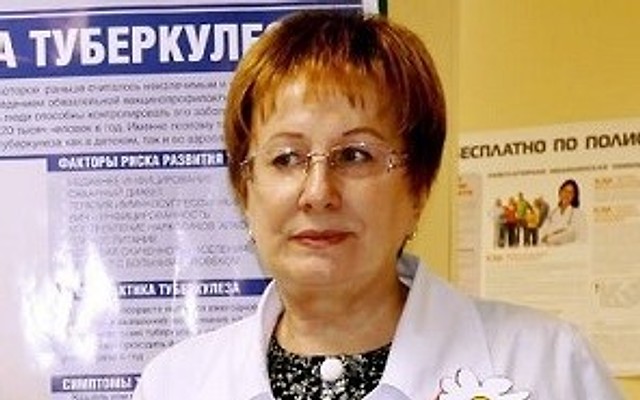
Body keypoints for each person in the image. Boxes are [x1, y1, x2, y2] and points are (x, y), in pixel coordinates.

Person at [132, 11, 622, 400]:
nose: (318, 192)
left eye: (355, 155)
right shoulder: (175, 385)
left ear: (419, 187)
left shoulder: (549, 367)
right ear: (245, 189)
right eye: (286, 158)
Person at [540, 179, 587, 245]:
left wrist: (551, 237)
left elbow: (571, 235)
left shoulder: (578, 214)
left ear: (574, 196)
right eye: (565, 191)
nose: (567, 194)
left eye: (570, 192)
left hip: (570, 249)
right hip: (550, 250)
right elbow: (543, 233)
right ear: (560, 192)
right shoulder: (552, 213)